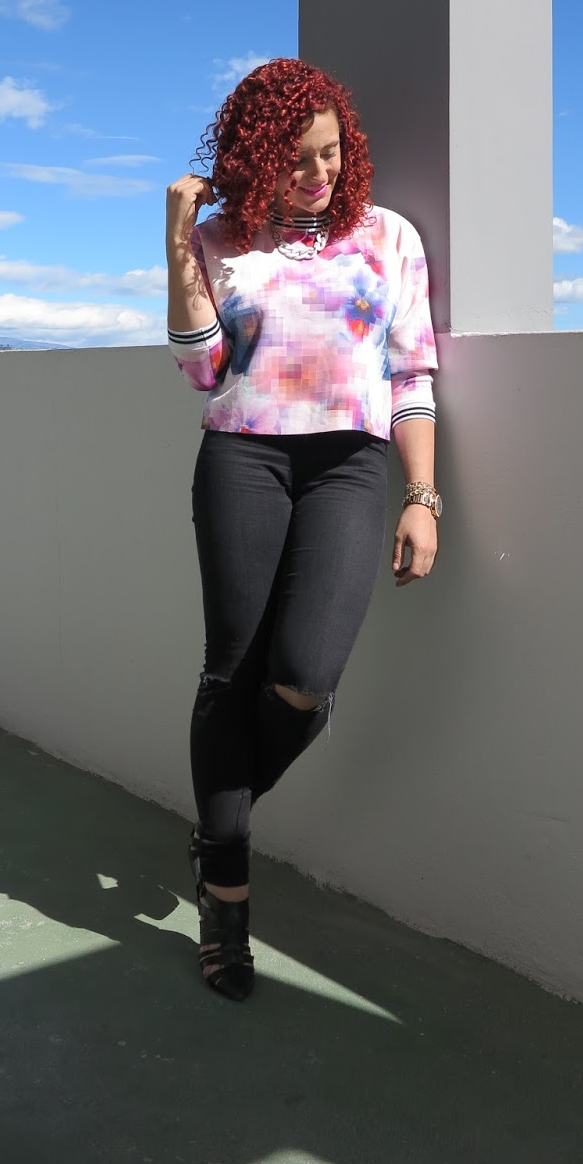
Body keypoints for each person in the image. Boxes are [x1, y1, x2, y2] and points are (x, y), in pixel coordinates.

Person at [165, 57, 442, 1001]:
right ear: (255, 158)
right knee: (230, 671)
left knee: (305, 676)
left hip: (351, 465)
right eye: (295, 159)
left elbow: (411, 374)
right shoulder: (220, 240)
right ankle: (226, 905)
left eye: (330, 153)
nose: (318, 174)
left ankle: (217, 824)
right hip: (242, 457)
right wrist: (177, 245)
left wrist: (421, 495)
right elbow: (201, 372)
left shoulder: (388, 237)